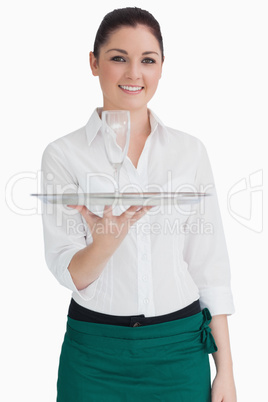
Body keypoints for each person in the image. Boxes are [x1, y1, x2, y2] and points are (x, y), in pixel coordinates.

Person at [41, 7, 236, 402]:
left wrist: (226, 372)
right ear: (93, 63)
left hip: (179, 349)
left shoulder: (189, 152)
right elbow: (68, 270)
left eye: (148, 60)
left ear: (162, 67)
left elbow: (208, 267)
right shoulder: (63, 155)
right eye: (118, 58)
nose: (134, 73)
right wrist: (103, 246)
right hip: (94, 352)